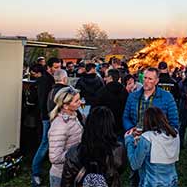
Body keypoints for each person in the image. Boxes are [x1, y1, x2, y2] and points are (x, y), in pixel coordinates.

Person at [123, 67, 179, 187]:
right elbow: (126, 116)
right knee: (136, 171)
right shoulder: (133, 96)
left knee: (150, 173)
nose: (146, 81)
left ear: (157, 80)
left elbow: (174, 122)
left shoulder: (166, 97)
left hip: (156, 143)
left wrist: (162, 137)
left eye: (150, 79)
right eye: (145, 78)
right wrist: (131, 129)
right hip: (137, 139)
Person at [61, 107, 126, 187]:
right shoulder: (118, 149)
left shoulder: (74, 152)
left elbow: (67, 181)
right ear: (110, 126)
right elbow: (120, 169)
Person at [125, 107, 180, 187]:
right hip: (172, 181)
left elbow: (134, 164)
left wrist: (129, 140)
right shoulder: (175, 133)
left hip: (151, 183)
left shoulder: (147, 137)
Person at [30, 57, 61, 187]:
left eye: (59, 67)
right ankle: (35, 172)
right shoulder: (44, 80)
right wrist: (49, 116)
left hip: (49, 115)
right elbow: (44, 101)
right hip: (47, 117)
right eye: (55, 67)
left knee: (47, 142)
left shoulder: (47, 78)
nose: (57, 70)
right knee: (45, 143)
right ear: (48, 67)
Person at [48, 87, 83, 187]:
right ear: (66, 106)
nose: (80, 102)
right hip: (61, 176)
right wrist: (78, 151)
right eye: (76, 101)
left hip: (71, 171)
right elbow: (55, 157)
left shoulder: (73, 117)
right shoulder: (60, 126)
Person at [94, 69, 128, 140]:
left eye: (106, 76)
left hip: (104, 128)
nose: (104, 78)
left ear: (110, 77)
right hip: (120, 127)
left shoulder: (101, 92)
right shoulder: (124, 91)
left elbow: (95, 111)